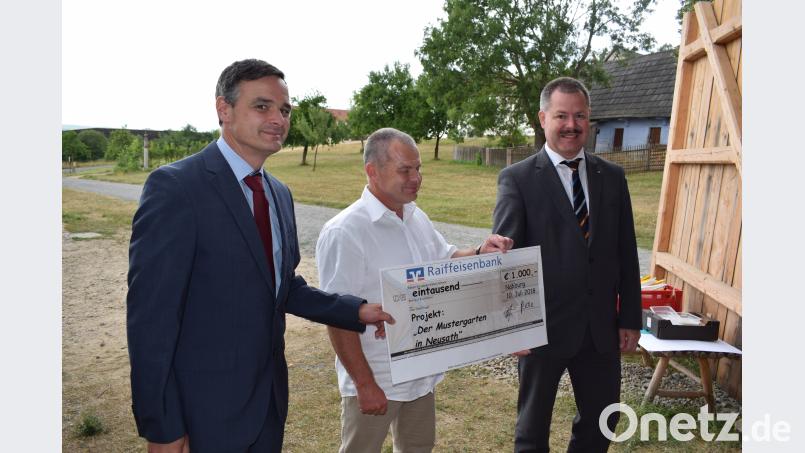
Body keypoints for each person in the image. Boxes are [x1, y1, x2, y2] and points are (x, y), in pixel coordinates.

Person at [126, 59, 393, 453]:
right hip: (203, 414)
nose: (278, 119)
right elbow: (151, 322)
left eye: (284, 110)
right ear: (224, 110)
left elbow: (281, 286)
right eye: (262, 106)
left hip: (266, 403)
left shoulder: (279, 194)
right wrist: (163, 427)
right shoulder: (177, 189)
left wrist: (354, 311)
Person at [316, 127, 513, 453]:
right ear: (372, 171)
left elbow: (446, 258)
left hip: (421, 374)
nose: (416, 178)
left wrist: (480, 251)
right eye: (405, 170)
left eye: (418, 168)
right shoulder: (345, 231)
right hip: (377, 376)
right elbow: (336, 317)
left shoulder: (414, 215)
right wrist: (364, 385)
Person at [492, 77, 642, 452]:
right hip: (540, 327)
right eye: (561, 115)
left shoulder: (613, 177)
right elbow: (505, 258)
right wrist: (512, 327)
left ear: (589, 120)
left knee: (602, 420)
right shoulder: (518, 179)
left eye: (580, 116)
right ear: (544, 118)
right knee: (532, 427)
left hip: (600, 329)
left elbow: (626, 250)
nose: (571, 125)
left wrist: (629, 319)